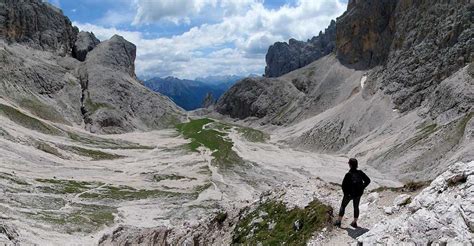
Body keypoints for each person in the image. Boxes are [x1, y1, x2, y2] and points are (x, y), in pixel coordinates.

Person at [334, 158, 371, 228]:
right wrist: (362, 187)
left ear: (350, 165)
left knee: (343, 206)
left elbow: (343, 186)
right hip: (358, 194)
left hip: (349, 194)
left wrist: (346, 194)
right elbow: (368, 180)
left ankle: (339, 221)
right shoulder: (360, 172)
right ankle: (354, 222)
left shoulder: (348, 174)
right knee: (356, 207)